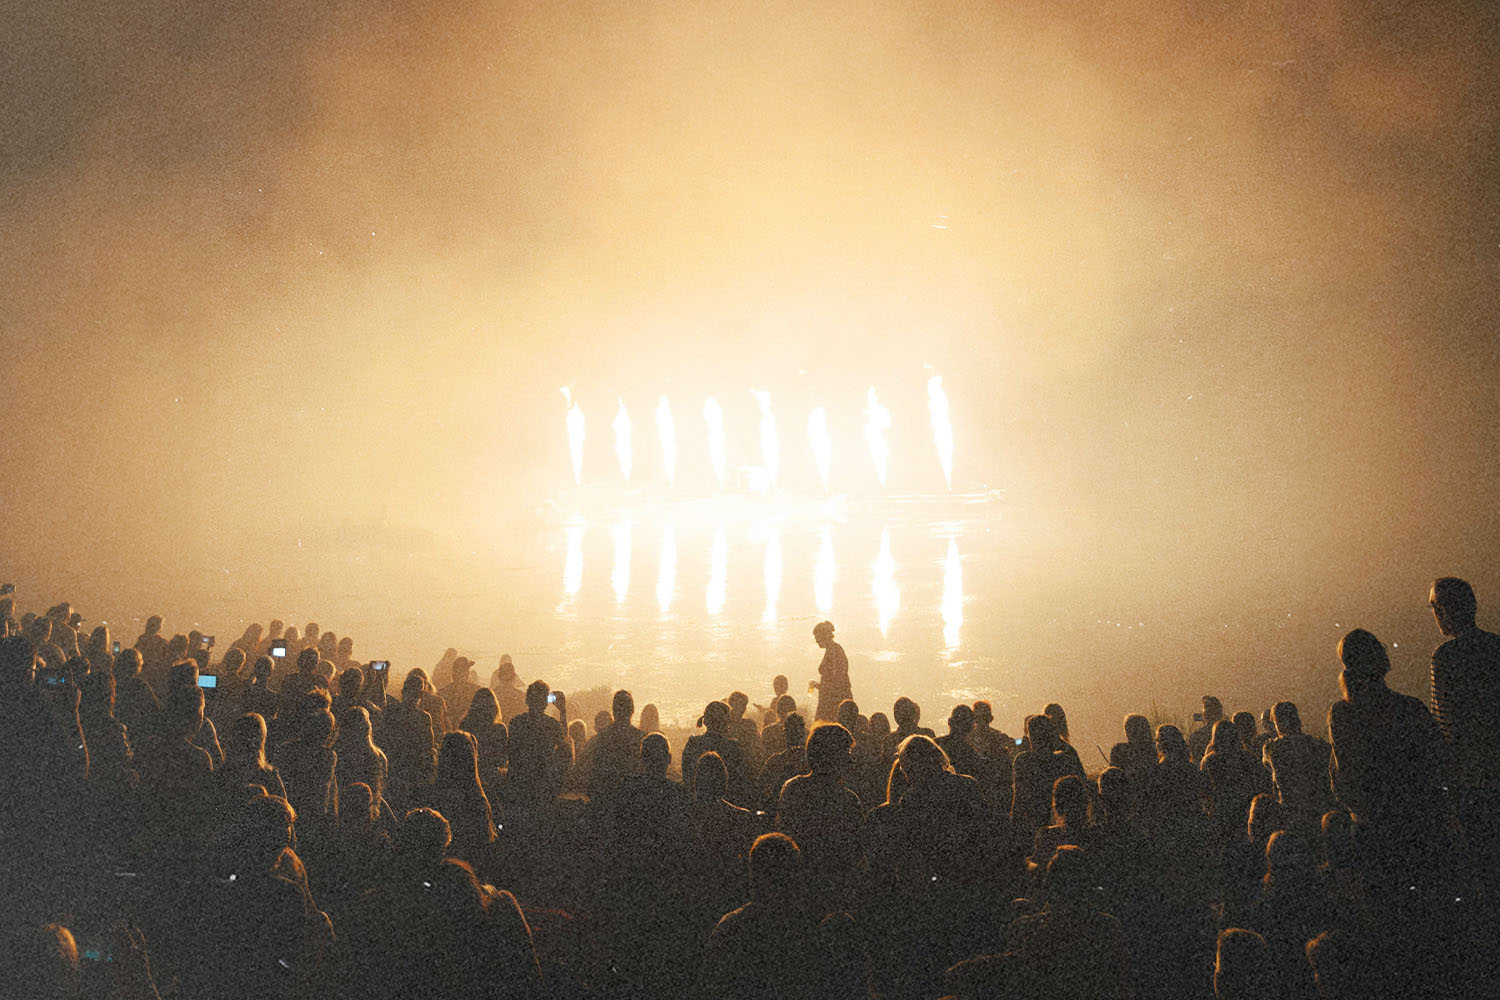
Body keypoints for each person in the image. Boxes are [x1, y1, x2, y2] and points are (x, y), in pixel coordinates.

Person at [1328, 628, 1445, 889]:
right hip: (1418, 825)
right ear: (1379, 658)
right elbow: (1437, 762)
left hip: (1371, 831)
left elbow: (1343, 778)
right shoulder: (1411, 708)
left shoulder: (1342, 713)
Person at [698, 832, 864, 1000]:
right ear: (795, 875)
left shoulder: (731, 930)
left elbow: (710, 985)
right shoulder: (815, 933)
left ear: (753, 877)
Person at [1427, 576, 1500, 883]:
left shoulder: (1446, 657)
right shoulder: (1495, 647)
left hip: (1471, 780)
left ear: (1446, 610)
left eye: (1435, 606)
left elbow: (1445, 726)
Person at [586, 689, 643, 805]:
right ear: (632, 711)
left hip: (607, 802)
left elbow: (596, 773)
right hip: (634, 802)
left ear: (614, 711)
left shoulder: (602, 737)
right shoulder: (641, 738)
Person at [809, 621, 850, 721]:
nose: (816, 640)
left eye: (817, 637)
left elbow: (835, 683)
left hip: (832, 702)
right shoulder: (833, 649)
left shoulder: (834, 651)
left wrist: (818, 686)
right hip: (831, 698)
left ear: (824, 636)